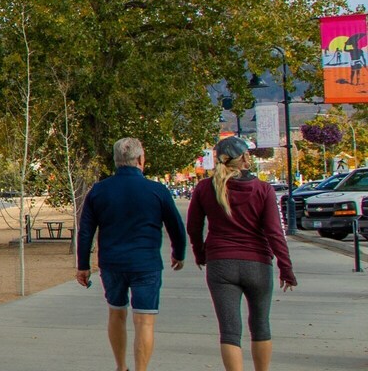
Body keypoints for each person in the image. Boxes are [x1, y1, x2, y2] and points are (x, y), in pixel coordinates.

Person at [77, 137, 186, 371]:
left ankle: (121, 366)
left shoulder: (99, 191)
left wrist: (83, 264)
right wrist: (179, 252)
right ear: (140, 159)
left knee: (116, 313)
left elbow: (86, 231)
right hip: (146, 263)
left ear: (116, 160)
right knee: (144, 320)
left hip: (112, 263)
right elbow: (176, 226)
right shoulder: (157, 191)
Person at [187, 137, 296, 371]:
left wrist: (200, 253)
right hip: (258, 263)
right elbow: (274, 232)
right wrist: (285, 267)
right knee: (261, 326)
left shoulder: (205, 188)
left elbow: (194, 227)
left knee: (229, 332)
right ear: (245, 158)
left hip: (221, 263)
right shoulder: (263, 189)